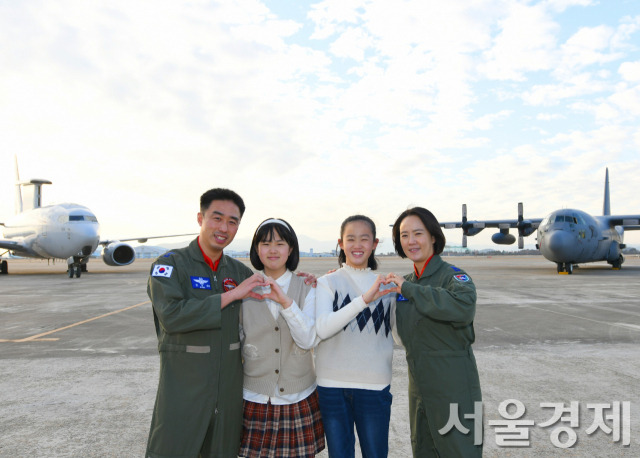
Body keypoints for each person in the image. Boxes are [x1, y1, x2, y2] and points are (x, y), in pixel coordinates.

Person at [146, 188, 268, 458]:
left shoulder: (238, 272)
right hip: (183, 394)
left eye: (233, 221)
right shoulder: (170, 266)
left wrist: (305, 281)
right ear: (200, 218)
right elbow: (172, 316)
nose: (224, 227)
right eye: (217, 218)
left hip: (227, 398)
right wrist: (231, 295)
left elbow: (273, 296)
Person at [386, 207, 482, 457]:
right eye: (404, 235)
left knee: (461, 450)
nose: (411, 241)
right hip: (419, 388)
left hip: (454, 388)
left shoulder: (453, 277)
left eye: (418, 233)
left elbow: (462, 308)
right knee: (423, 449)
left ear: (433, 237)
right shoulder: (405, 283)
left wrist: (409, 290)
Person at [239, 218, 325, 457]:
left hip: (298, 397)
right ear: (257, 249)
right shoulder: (244, 289)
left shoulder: (308, 287)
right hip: (255, 397)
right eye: (265, 243)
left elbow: (308, 340)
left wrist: (286, 303)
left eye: (280, 243)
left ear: (291, 249)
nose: (273, 249)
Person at [314, 215, 396, 458]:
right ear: (341, 243)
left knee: (376, 453)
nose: (357, 245)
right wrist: (364, 300)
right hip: (331, 385)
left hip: (374, 384)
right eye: (351, 239)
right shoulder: (326, 282)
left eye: (364, 239)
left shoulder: (387, 287)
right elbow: (323, 328)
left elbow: (399, 335)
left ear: (375, 243)